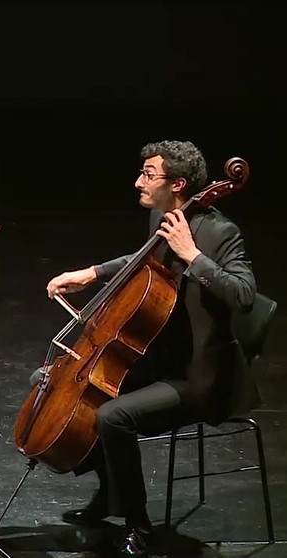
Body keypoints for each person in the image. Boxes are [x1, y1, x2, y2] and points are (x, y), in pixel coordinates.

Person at [44, 140, 257, 557]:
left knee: (113, 415)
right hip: (158, 360)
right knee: (56, 382)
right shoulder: (165, 217)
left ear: (178, 183)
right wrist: (90, 273)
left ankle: (139, 525)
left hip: (201, 377)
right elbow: (142, 259)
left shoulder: (219, 231)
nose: (138, 182)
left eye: (148, 174)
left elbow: (246, 295)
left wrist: (193, 256)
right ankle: (109, 493)